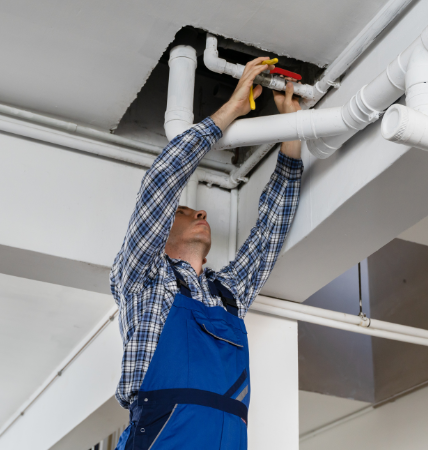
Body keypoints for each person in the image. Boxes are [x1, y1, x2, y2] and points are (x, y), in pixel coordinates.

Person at [110, 56, 303, 450]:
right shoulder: (143, 278)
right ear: (158, 233)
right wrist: (232, 109)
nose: (200, 212)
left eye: (196, 210)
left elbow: (270, 233)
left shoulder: (227, 294)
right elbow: (161, 182)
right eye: (183, 212)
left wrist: (292, 134)